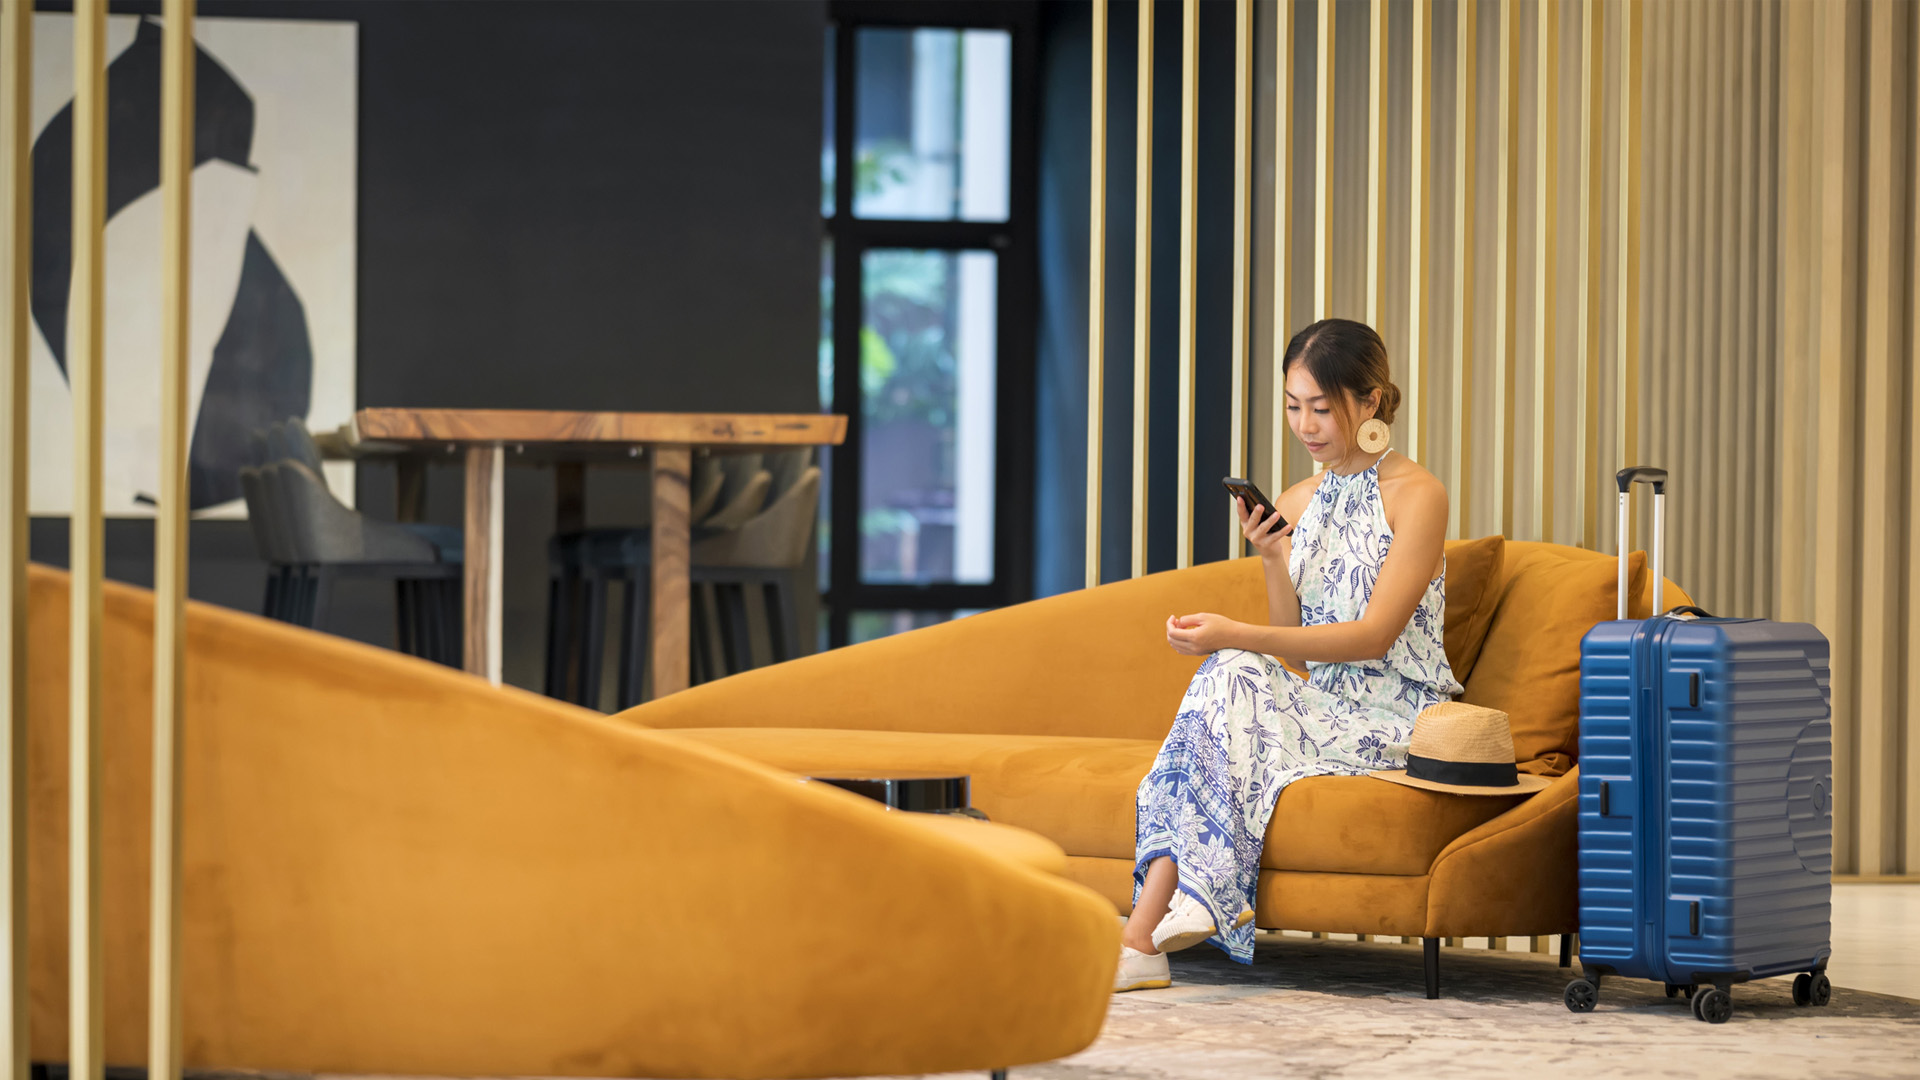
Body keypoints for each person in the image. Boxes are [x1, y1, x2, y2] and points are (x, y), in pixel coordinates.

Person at [1115, 318, 1461, 992]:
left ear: (1371, 400)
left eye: (1322, 408)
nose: (1305, 425)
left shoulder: (1419, 497)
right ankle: (1161, 922)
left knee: (1234, 664)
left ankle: (1159, 919)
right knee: (1232, 672)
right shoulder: (1300, 498)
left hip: (1397, 717)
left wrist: (1233, 634)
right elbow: (1293, 645)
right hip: (1322, 704)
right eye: (1293, 405)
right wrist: (1274, 555)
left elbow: (1371, 638)